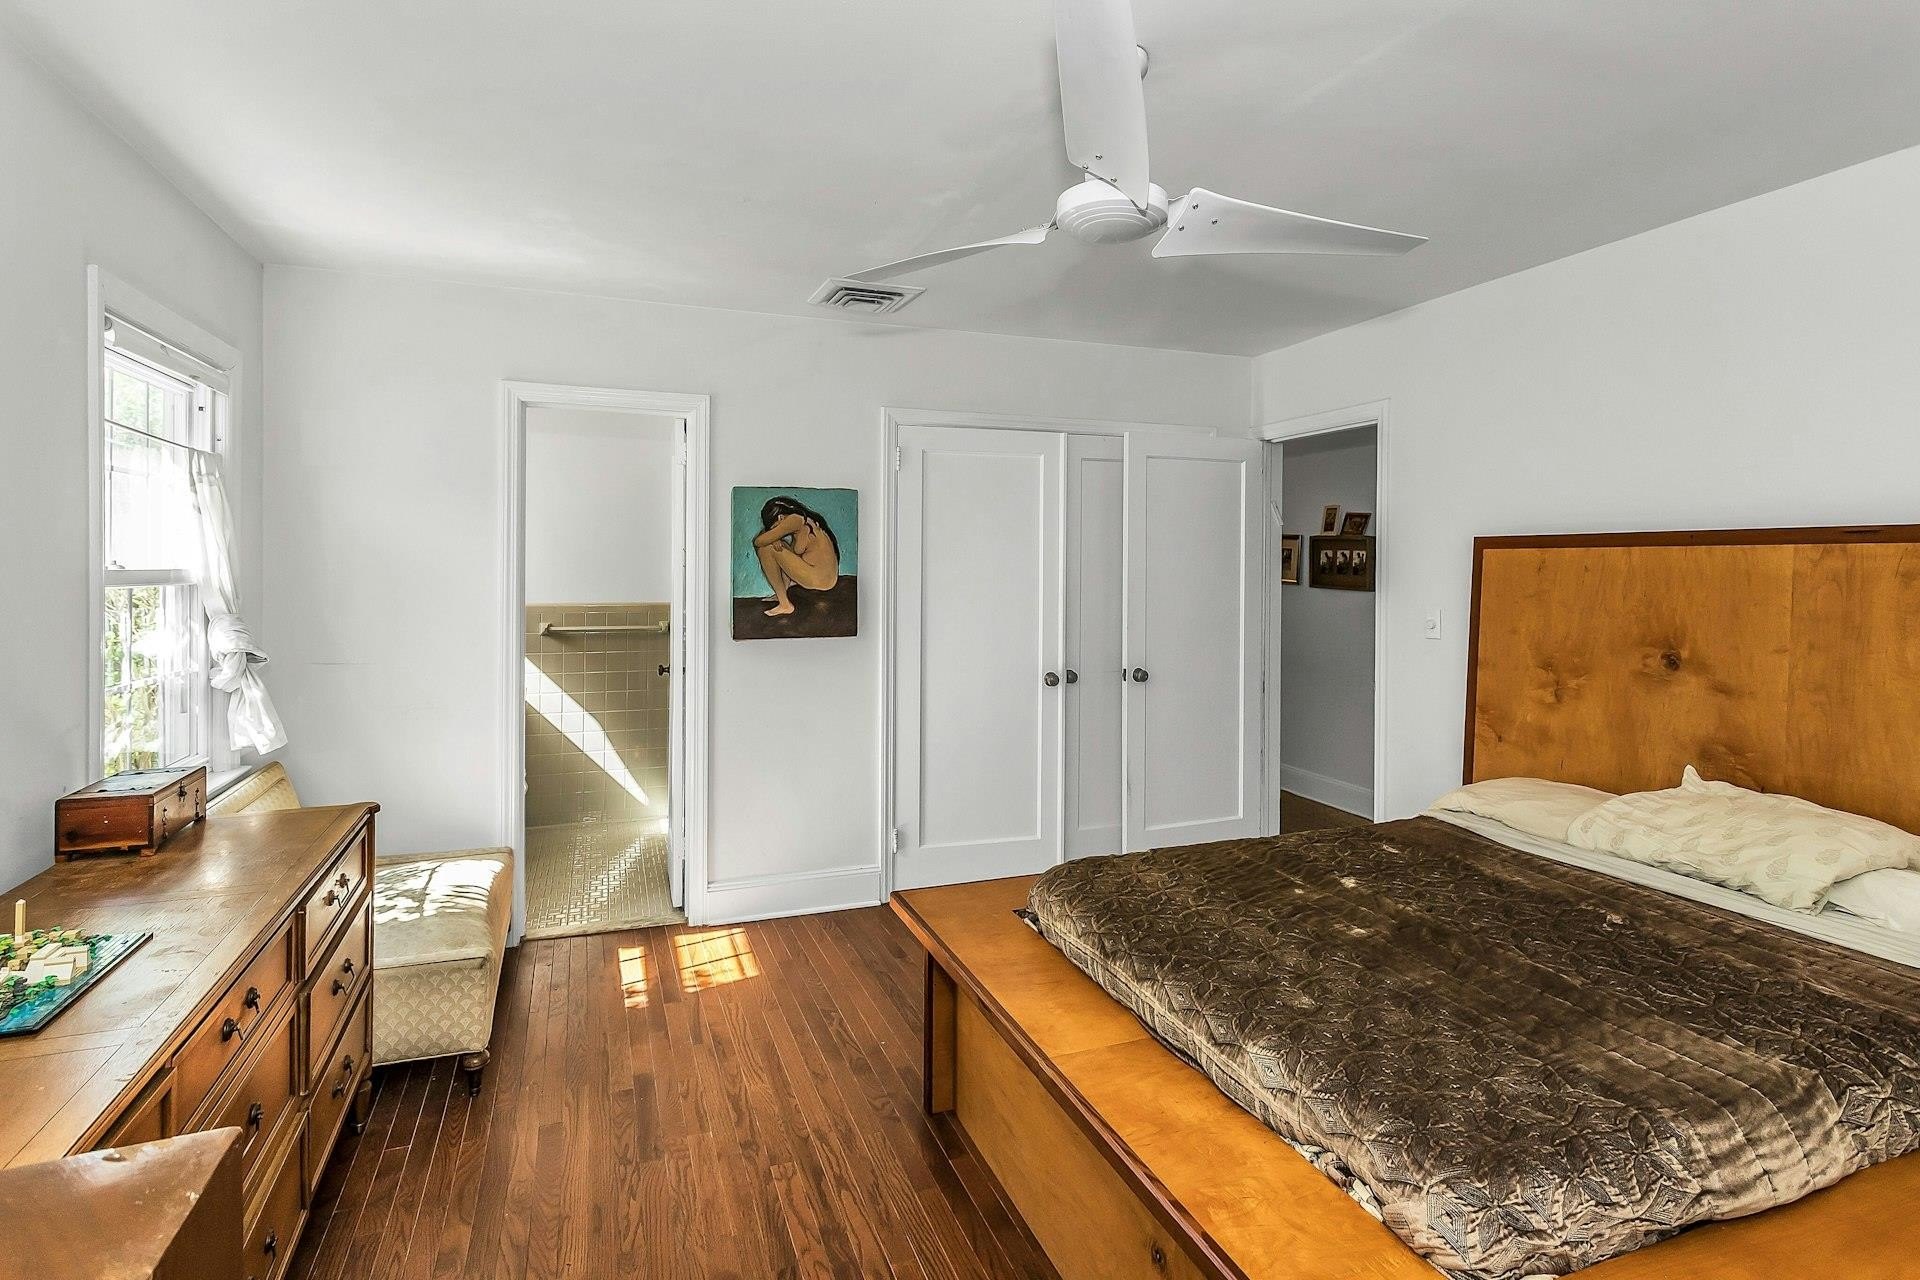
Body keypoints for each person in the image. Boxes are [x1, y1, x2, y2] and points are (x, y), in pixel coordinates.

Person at [753, 495, 841, 617]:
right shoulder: (805, 521)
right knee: (779, 545)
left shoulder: (795, 520)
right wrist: (774, 539)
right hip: (826, 578)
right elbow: (793, 556)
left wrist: (771, 538)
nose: (775, 532)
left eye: (774, 528)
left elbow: (758, 542)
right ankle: (782, 593)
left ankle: (785, 604)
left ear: (780, 517)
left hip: (820, 579)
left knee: (765, 549)